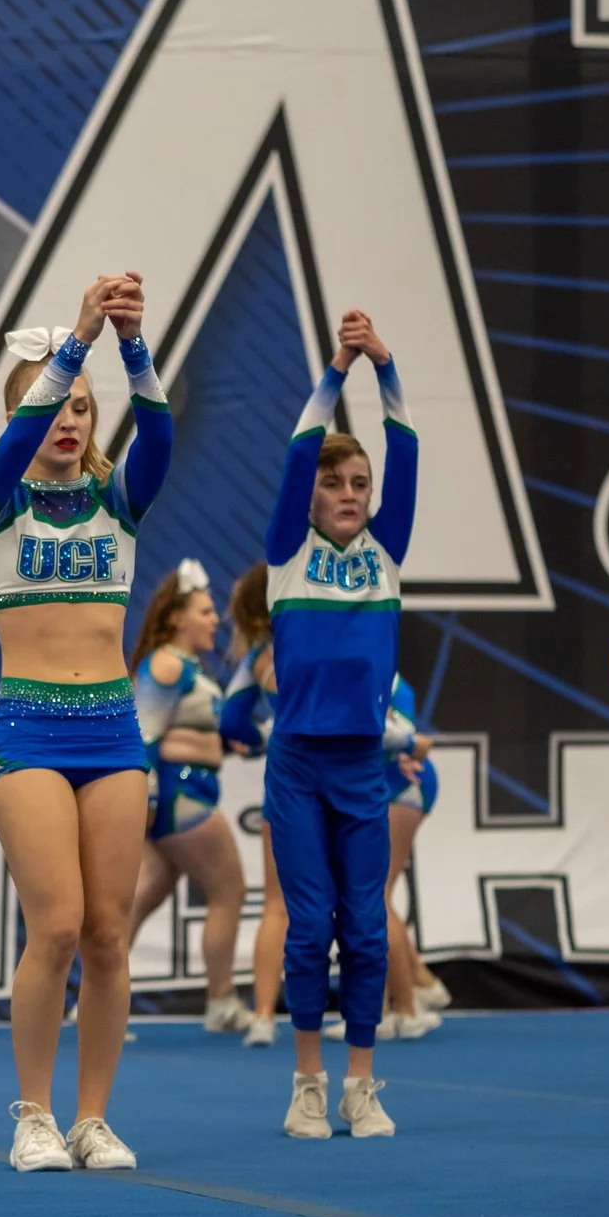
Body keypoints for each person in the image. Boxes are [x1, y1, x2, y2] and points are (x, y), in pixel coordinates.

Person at [0, 280, 171, 1172]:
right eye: (54, 404)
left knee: (108, 934)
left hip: (112, 731)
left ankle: (92, 1117)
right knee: (54, 924)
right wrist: (76, 345)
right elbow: (14, 445)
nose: (68, 419)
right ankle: (34, 1114)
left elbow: (159, 437)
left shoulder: (117, 499)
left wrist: (131, 347)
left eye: (84, 408)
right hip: (29, 730)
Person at [262, 310, 417, 1140]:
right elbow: (299, 450)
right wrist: (336, 372)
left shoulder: (386, 555)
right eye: (335, 483)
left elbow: (407, 449)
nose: (350, 493)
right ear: (311, 496)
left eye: (360, 483)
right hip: (295, 764)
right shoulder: (287, 553)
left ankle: (361, 1081)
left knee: (364, 925)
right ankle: (308, 1083)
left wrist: (385, 371)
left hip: (363, 766)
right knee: (307, 923)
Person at [127, 562, 250, 1036]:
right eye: (204, 611)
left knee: (137, 901)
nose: (216, 620)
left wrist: (232, 745)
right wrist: (147, 799)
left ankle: (93, 1003)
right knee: (229, 891)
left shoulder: (186, 668)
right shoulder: (167, 664)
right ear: (176, 617)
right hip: (180, 794)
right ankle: (221, 1001)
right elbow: (144, 734)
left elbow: (189, 734)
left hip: (184, 791)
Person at [216, 565, 286, 1047]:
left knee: (277, 907)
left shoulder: (259, 658)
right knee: (353, 899)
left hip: (286, 778)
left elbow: (230, 718)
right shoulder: (322, 637)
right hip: (340, 776)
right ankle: (374, 1011)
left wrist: (262, 739)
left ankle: (263, 1015)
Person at [377, 674, 446, 1038]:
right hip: (386, 782)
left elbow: (400, 733)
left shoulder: (378, 671)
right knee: (370, 897)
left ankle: (404, 1008)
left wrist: (405, 744)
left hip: (401, 784)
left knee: (373, 897)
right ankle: (410, 990)